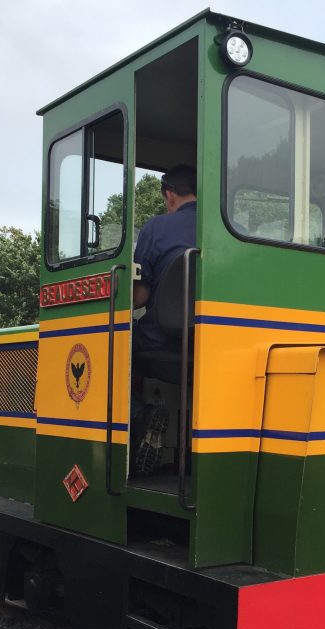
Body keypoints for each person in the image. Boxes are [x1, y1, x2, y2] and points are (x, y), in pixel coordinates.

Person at [131, 164, 197, 476]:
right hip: (211, 347)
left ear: (169, 195)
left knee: (111, 347)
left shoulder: (156, 228)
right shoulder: (226, 230)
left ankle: (141, 416)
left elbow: (139, 297)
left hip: (161, 343)